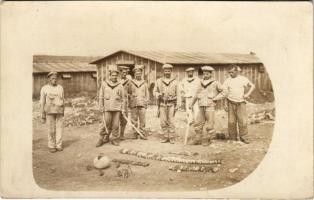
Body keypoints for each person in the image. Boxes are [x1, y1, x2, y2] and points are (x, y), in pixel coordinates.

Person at [213, 65, 255, 144]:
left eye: (232, 72)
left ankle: (244, 137)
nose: (231, 74)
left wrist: (247, 94)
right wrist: (224, 103)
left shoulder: (243, 79)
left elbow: (252, 86)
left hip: (241, 103)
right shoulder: (227, 81)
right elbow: (224, 92)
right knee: (231, 121)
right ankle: (233, 138)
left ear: (236, 71)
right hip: (230, 103)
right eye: (229, 72)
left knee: (242, 121)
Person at [189, 66, 223, 146]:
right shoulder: (200, 82)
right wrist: (192, 103)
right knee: (198, 123)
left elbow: (224, 92)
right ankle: (198, 139)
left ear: (211, 73)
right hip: (201, 105)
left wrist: (216, 98)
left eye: (208, 73)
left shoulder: (215, 82)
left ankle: (209, 139)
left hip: (209, 106)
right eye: (204, 72)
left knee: (210, 124)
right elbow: (197, 94)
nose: (206, 74)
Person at [96, 65, 126, 147]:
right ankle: (101, 139)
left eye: (116, 75)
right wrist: (101, 107)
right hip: (107, 108)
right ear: (109, 75)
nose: (114, 77)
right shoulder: (104, 84)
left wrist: (123, 109)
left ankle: (115, 139)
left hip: (117, 109)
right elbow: (101, 96)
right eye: (113, 75)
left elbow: (123, 98)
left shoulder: (120, 85)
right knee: (105, 124)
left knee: (116, 125)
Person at [153, 63, 180, 144]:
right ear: (163, 71)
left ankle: (171, 137)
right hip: (162, 104)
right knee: (163, 121)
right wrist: (158, 95)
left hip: (172, 104)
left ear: (171, 71)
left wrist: (178, 103)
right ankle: (165, 136)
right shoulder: (158, 81)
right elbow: (154, 91)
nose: (167, 72)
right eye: (166, 71)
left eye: (169, 71)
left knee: (171, 121)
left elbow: (178, 93)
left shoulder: (175, 82)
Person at [40, 72, 65, 153]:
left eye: (55, 78)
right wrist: (42, 114)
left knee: (59, 128)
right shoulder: (44, 88)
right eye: (52, 78)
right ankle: (51, 145)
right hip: (49, 111)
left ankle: (58, 145)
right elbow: (42, 102)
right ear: (49, 79)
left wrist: (63, 110)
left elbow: (63, 99)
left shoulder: (60, 87)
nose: (54, 80)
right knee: (51, 129)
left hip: (59, 111)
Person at [128, 65, 149, 140]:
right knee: (134, 119)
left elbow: (147, 94)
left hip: (142, 103)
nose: (138, 75)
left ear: (141, 74)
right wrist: (131, 99)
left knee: (142, 120)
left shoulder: (144, 83)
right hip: (134, 103)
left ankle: (142, 133)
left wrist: (146, 103)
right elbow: (128, 93)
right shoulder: (131, 82)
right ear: (134, 74)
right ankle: (135, 133)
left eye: (139, 73)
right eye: (136, 73)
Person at [119, 66, 130, 140]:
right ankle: (110, 136)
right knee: (114, 120)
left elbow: (130, 91)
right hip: (116, 102)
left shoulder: (129, 81)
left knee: (124, 119)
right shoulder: (116, 81)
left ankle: (121, 135)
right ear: (120, 72)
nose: (124, 74)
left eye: (126, 73)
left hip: (125, 102)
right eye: (123, 72)